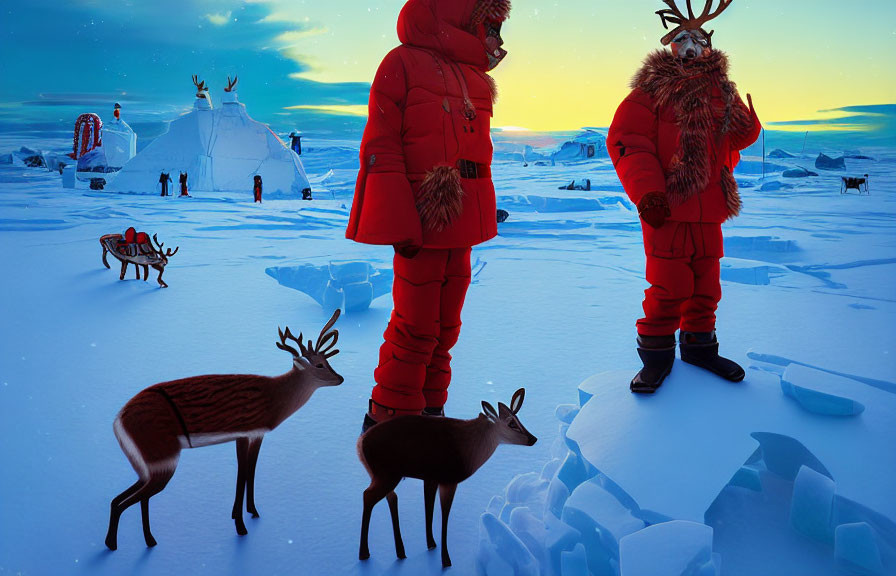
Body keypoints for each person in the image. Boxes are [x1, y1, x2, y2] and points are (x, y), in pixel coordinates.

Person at [346, 0, 511, 431]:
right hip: (422, 219)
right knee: (415, 326)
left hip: (462, 225)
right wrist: (398, 219)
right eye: (489, 26)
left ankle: (430, 415)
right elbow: (381, 145)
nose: (496, 39)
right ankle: (390, 421)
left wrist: (483, 209)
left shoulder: (476, 78)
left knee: (446, 328)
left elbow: (478, 153)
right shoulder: (401, 64)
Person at [607, 0, 761, 393]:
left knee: (707, 286)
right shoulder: (651, 92)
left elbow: (737, 137)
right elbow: (629, 141)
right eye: (682, 39)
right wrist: (649, 194)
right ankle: (656, 359)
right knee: (669, 286)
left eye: (698, 39)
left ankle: (699, 348)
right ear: (670, 45)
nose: (691, 46)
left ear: (708, 46)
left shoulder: (719, 91)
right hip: (667, 211)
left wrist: (740, 111)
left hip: (708, 209)